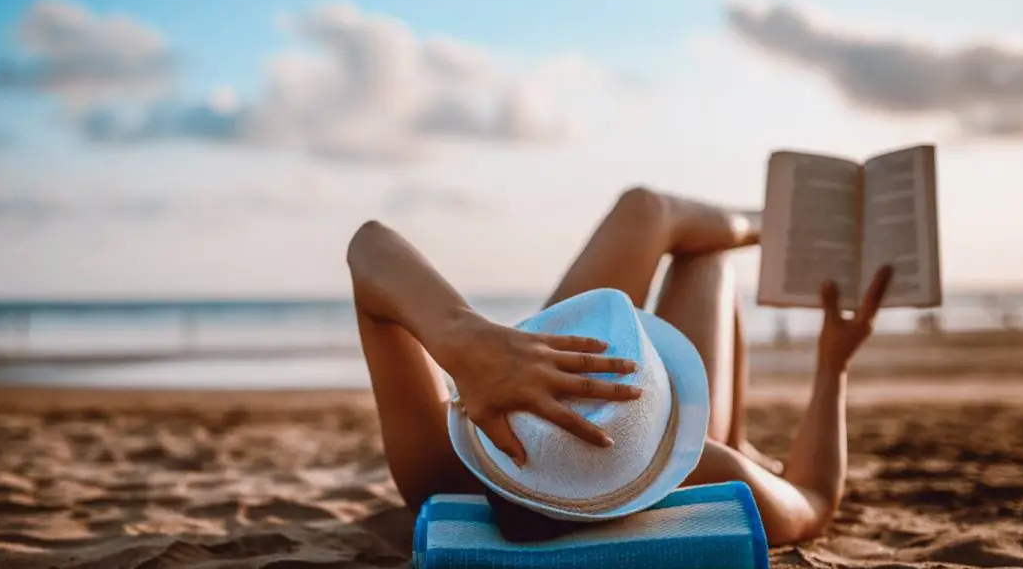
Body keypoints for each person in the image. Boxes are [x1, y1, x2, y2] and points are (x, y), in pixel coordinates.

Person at [347, 187, 893, 545]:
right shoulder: (708, 474)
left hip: (513, 390)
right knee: (702, 256)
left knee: (645, 210)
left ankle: (771, 225)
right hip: (705, 451)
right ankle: (774, 227)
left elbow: (369, 247)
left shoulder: (442, 471)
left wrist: (464, 337)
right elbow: (815, 498)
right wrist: (834, 364)